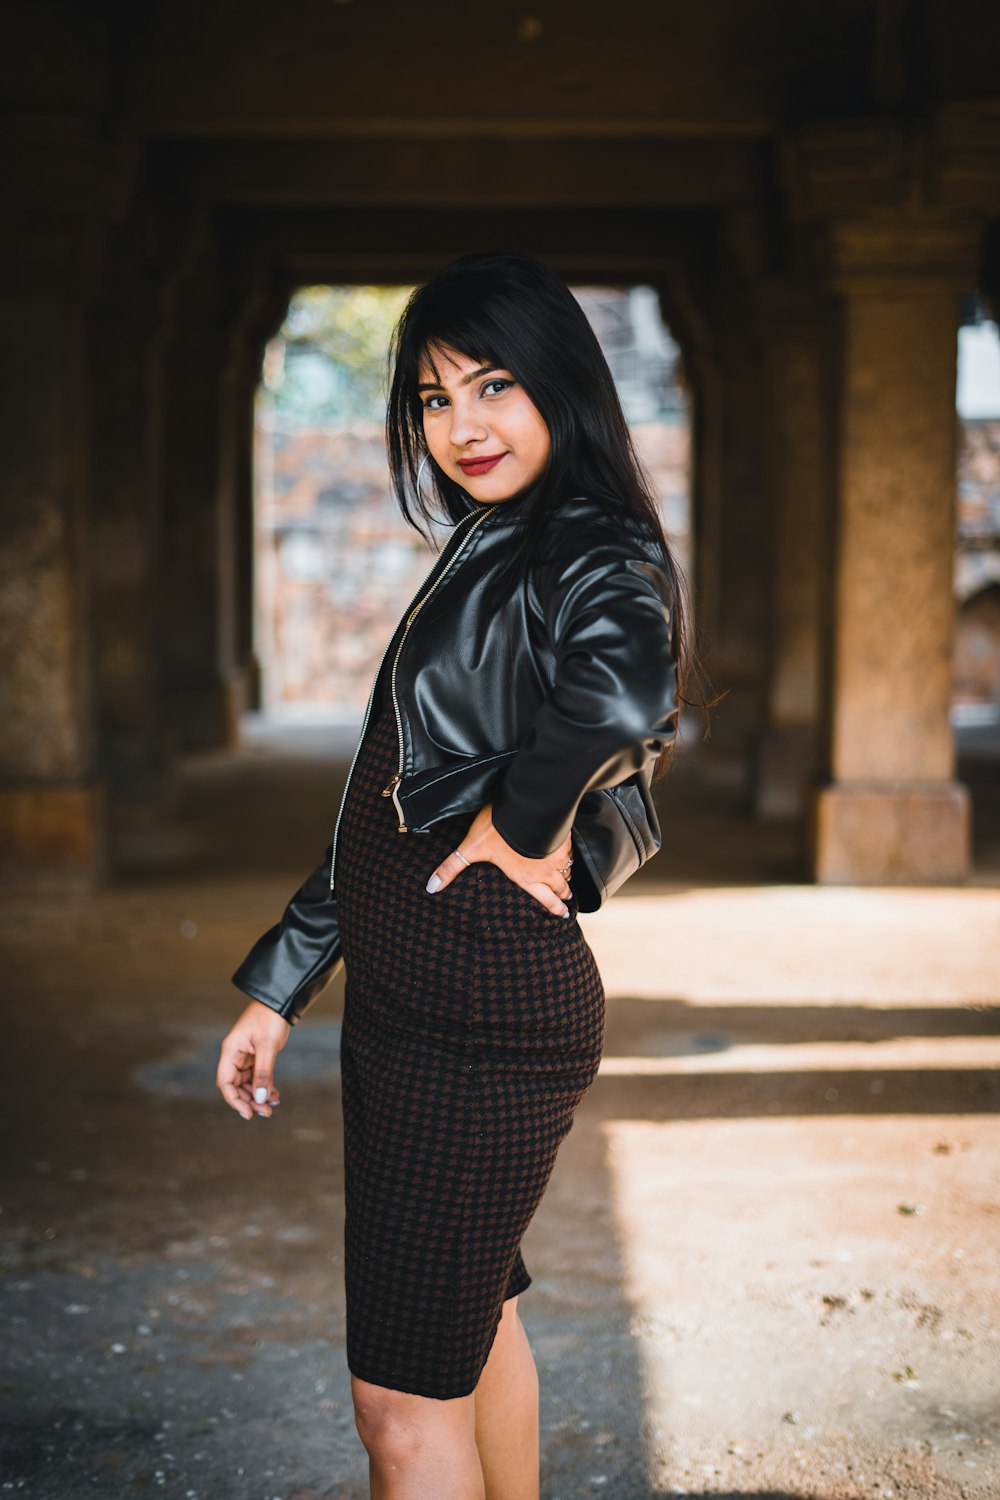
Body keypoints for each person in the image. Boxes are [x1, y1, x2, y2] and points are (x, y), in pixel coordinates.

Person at [216, 251, 711, 1499]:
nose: (462, 425)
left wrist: (523, 816)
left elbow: (628, 686)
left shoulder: (584, 540)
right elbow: (384, 800)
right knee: (471, 1326)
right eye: (434, 399)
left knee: (397, 1403)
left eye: (494, 386)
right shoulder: (493, 541)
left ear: (562, 388)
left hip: (480, 1008)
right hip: (414, 999)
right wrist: (280, 984)